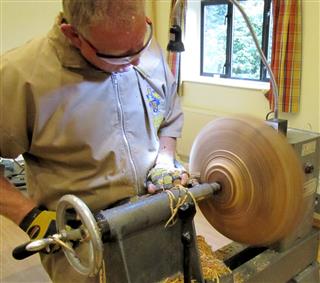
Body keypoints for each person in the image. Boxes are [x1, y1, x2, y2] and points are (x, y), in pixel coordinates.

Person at [0, 0, 188, 282]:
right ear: (73, 35)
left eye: (141, 42)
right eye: (120, 55)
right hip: (86, 243)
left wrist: (164, 159)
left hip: (158, 223)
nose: (136, 60)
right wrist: (29, 217)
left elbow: (170, 114)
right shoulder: (20, 76)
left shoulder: (140, 46)